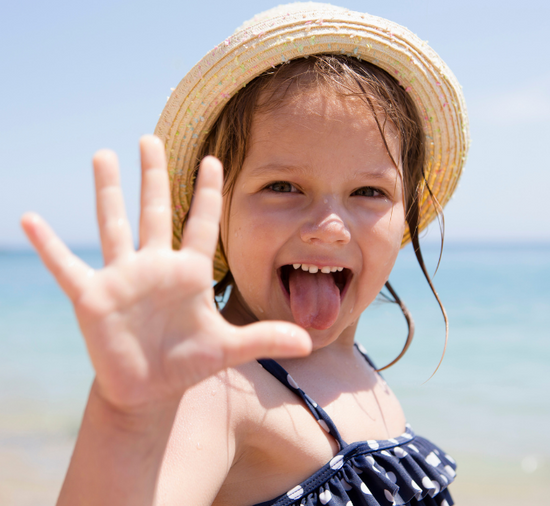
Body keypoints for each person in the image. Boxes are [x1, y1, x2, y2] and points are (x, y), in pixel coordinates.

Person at [21, 3, 469, 505]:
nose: (330, 229)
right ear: (212, 211)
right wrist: (125, 420)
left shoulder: (354, 366)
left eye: (369, 192)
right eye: (283, 186)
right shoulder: (216, 391)